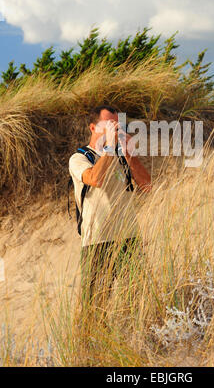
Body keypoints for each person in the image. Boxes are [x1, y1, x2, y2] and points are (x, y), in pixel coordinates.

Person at [69, 105, 151, 307]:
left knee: (138, 302)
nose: (114, 129)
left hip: (129, 239)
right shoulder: (80, 158)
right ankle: (89, 339)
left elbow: (147, 186)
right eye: (108, 124)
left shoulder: (122, 157)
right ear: (93, 128)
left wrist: (129, 154)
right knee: (95, 307)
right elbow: (95, 179)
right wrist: (109, 148)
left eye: (118, 125)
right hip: (97, 242)